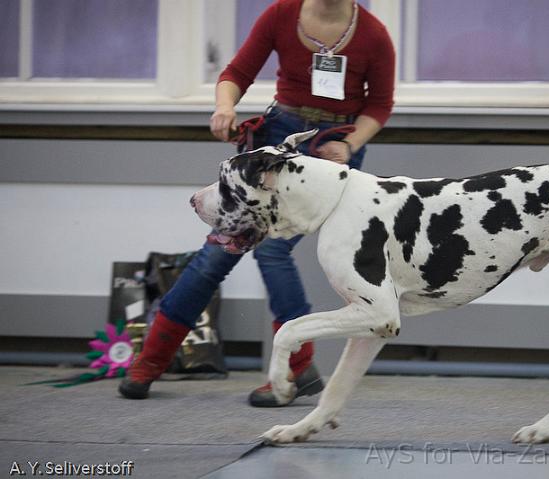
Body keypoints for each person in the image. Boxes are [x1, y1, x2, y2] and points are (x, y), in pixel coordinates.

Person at [119, 0, 395, 406]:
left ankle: (295, 367)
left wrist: (349, 145)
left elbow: (380, 104)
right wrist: (224, 106)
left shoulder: (373, 34)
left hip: (327, 149)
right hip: (276, 138)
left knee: (272, 248)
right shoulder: (282, 14)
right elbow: (236, 73)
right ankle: (150, 360)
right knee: (216, 254)